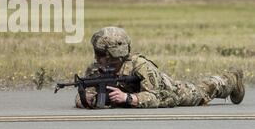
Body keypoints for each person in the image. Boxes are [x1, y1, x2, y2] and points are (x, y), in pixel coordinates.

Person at [76, 27, 245, 109]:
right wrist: (87, 99)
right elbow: (85, 95)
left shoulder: (140, 65)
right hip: (147, 94)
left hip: (172, 92)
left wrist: (127, 98)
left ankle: (231, 78)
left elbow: (155, 97)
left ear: (114, 53)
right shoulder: (95, 69)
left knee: (204, 91)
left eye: (100, 53)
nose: (96, 57)